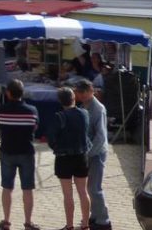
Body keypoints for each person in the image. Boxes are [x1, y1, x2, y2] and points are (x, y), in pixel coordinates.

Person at [0, 79, 40, 230]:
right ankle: (28, 222)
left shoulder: (0, 110)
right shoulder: (32, 111)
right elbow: (34, 128)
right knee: (27, 188)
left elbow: (0, 126)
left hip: (7, 151)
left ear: (8, 93)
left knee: (7, 187)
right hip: (26, 152)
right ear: (23, 93)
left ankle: (6, 221)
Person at [48, 86, 91, 230]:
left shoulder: (59, 116)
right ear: (74, 98)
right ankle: (85, 224)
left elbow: (51, 138)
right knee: (83, 192)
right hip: (81, 156)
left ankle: (70, 225)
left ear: (61, 101)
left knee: (68, 194)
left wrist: (57, 147)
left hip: (64, 158)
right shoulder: (84, 113)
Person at [75, 79, 111, 230]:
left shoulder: (98, 108)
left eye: (83, 92)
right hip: (90, 152)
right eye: (79, 93)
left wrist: (89, 154)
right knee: (90, 188)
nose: (81, 95)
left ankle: (104, 220)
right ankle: (95, 215)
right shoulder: (85, 105)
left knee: (95, 188)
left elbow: (101, 136)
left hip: (97, 154)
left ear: (90, 91)